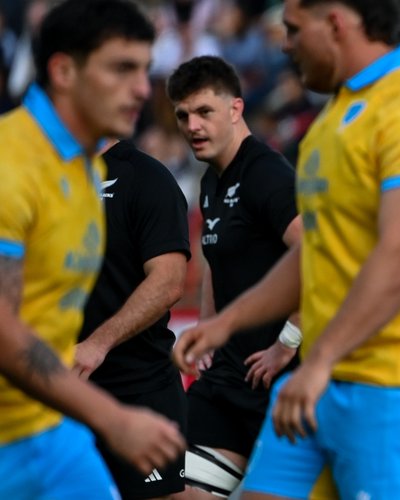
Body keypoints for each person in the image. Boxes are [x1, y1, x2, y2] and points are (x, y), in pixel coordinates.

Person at [172, 0, 400, 498]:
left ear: (335, 22)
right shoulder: (327, 124)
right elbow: (313, 253)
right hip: (319, 391)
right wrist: (223, 323)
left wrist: (312, 359)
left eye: (293, 29)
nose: (285, 44)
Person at [0, 0, 185, 496]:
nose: (144, 90)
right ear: (63, 70)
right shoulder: (10, 164)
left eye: (146, 70)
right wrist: (114, 419)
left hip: (50, 428)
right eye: (122, 68)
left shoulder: (88, 171)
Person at [165, 55, 302, 499]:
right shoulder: (211, 182)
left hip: (279, 382)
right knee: (160, 485)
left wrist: (287, 343)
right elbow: (214, 258)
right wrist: (208, 328)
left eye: (204, 111)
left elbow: (319, 255)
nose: (193, 126)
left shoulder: (267, 173)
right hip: (227, 380)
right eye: (183, 115)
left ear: (236, 109)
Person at [78, 140, 191, 499]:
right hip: (59, 392)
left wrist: (98, 343)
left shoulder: (146, 178)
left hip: (138, 390)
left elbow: (169, 281)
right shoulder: (43, 170)